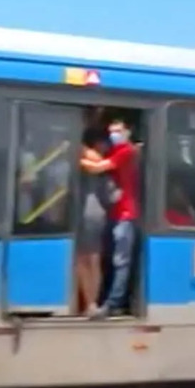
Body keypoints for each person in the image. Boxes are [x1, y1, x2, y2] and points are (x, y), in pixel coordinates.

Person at [80, 119, 139, 318]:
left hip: (126, 214)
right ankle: (106, 299)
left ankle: (114, 303)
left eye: (119, 131)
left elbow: (98, 167)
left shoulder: (126, 151)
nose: (114, 134)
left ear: (128, 132)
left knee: (121, 261)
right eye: (111, 131)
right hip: (114, 213)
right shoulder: (115, 150)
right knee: (109, 259)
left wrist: (75, 156)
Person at [75, 128, 111, 315]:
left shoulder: (92, 160)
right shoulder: (98, 161)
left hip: (88, 212)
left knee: (86, 259)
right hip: (93, 212)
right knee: (90, 259)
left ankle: (91, 303)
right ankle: (91, 302)